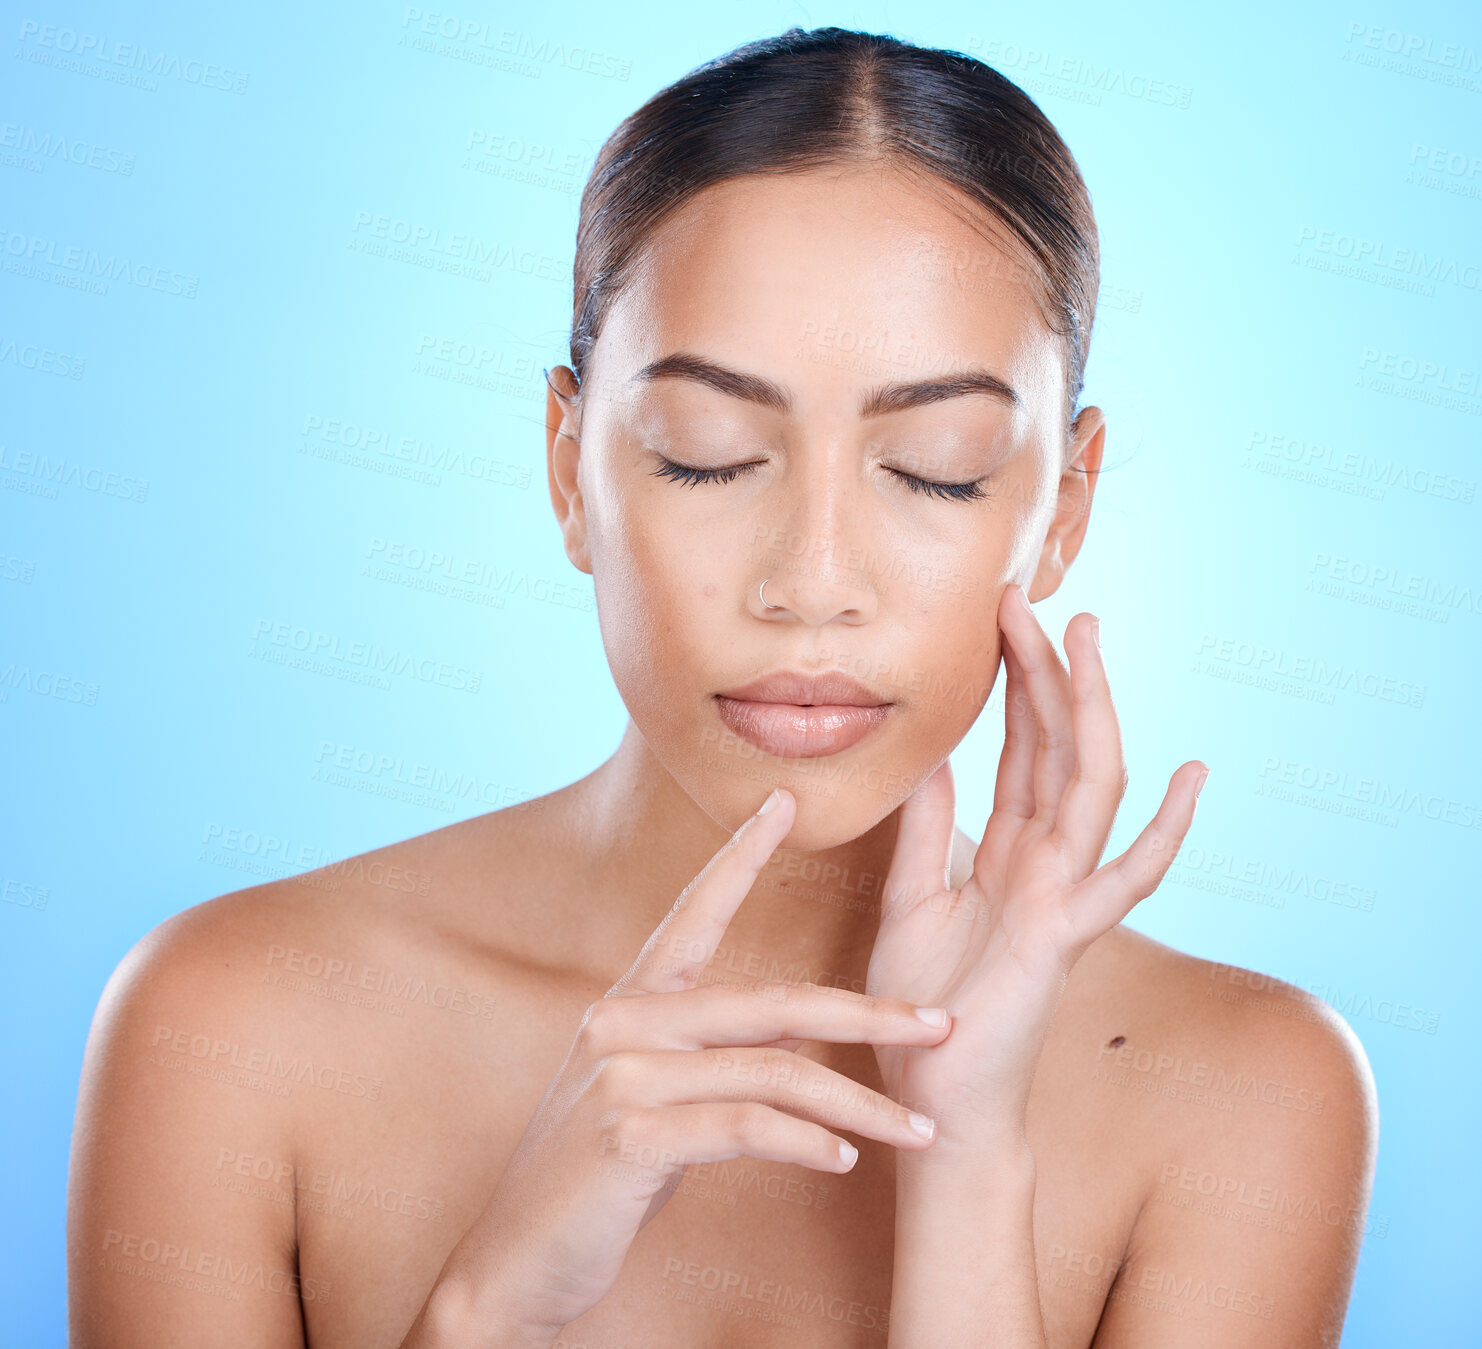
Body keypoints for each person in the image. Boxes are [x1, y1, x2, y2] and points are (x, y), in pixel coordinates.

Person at [66, 25, 1377, 1349]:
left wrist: (969, 1166)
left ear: (1061, 507)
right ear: (568, 467)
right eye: (705, 455)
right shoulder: (230, 1025)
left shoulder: (1244, 1092)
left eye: (935, 465)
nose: (811, 582)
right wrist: (486, 1309)